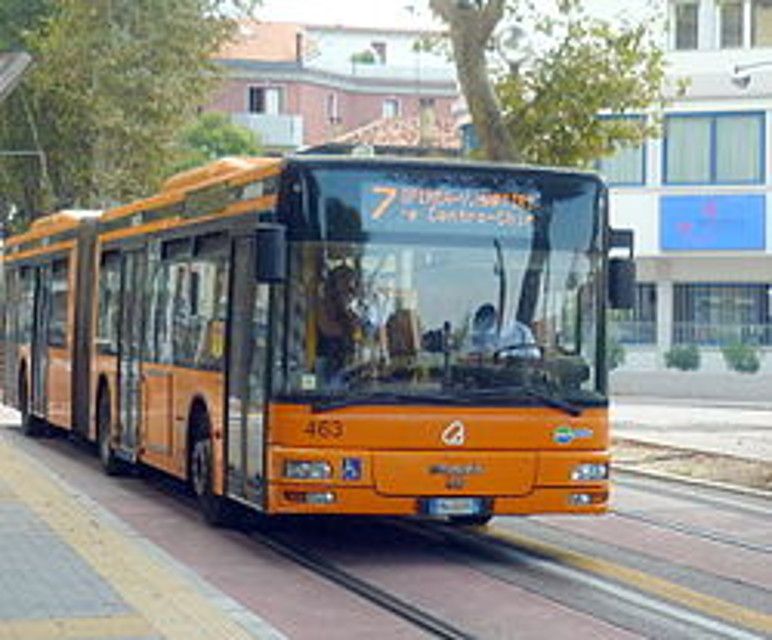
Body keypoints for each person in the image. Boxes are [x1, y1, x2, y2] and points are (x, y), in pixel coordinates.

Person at [316, 264, 365, 382]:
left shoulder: (348, 312)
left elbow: (358, 334)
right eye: (347, 288)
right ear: (334, 288)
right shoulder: (322, 307)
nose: (350, 293)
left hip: (346, 368)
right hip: (327, 368)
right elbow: (330, 330)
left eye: (352, 289)